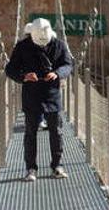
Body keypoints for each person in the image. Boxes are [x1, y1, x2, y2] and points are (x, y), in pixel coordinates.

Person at [5, 18, 73, 182]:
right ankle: (30, 169)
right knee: (30, 133)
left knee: (56, 132)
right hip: (32, 95)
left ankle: (57, 165)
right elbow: (10, 69)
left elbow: (68, 65)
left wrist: (57, 73)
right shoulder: (22, 47)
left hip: (52, 94)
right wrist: (24, 76)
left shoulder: (59, 45)